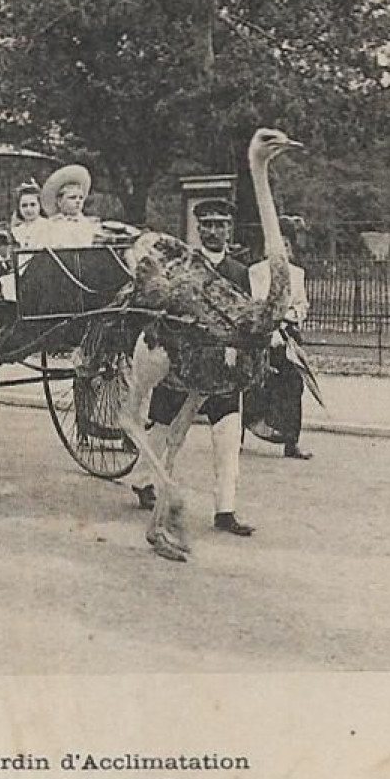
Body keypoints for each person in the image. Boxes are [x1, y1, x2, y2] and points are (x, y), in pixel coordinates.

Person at [130, 204, 256, 536]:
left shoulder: (239, 272)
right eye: (208, 225)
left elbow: (246, 319)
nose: (215, 231)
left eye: (221, 224)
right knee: (161, 427)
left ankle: (225, 510)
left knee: (227, 434)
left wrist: (237, 351)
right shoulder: (183, 267)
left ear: (230, 230)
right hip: (183, 364)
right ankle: (143, 481)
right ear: (199, 230)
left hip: (223, 366)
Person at [245, 232, 314, 460]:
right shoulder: (256, 271)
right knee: (252, 382)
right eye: (275, 244)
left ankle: (291, 441)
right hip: (262, 335)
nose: (279, 249)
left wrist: (291, 315)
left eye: (284, 244)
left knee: (294, 384)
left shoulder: (297, 273)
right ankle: (240, 434)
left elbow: (302, 303)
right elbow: (255, 301)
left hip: (287, 335)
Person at [21, 165, 103, 249]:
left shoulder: (88, 224)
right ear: (59, 202)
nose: (78, 201)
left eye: (81, 198)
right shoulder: (49, 226)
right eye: (72, 197)